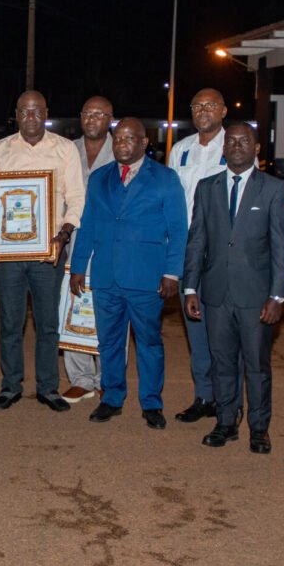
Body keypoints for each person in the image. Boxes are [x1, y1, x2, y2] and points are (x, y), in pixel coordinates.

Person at [71, 118, 187, 429]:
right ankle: (111, 397)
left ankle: (151, 402)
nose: (122, 144)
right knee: (109, 341)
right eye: (118, 138)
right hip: (106, 275)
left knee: (148, 341)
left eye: (129, 138)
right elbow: (88, 224)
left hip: (146, 277)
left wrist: (172, 273)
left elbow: (178, 230)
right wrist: (79, 266)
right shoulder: (99, 178)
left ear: (144, 142)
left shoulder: (164, 178)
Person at [181, 122, 284, 451]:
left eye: (245, 141)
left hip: (256, 296)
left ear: (257, 148)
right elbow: (197, 240)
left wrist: (277, 295)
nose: (237, 145)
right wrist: (190, 287)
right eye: (232, 141)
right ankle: (226, 422)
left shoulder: (272, 188)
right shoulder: (207, 187)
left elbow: (281, 246)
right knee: (222, 362)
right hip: (215, 293)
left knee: (256, 366)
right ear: (224, 148)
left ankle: (259, 427)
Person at [0, 90, 85, 412]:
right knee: (10, 322)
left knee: (47, 323)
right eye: (25, 112)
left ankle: (48, 388)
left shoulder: (64, 150)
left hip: (48, 251)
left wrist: (64, 233)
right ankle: (10, 386)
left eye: (37, 111)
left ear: (46, 113)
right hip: (8, 253)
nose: (31, 117)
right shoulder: (0, 150)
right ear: (17, 114)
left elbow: (76, 197)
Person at [167, 88, 229, 423]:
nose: (203, 110)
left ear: (223, 110)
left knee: (223, 328)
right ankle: (203, 396)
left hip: (222, 251)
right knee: (196, 326)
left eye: (210, 105)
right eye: (197, 105)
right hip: (187, 250)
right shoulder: (180, 149)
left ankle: (227, 398)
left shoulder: (233, 146)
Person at [63, 95, 115, 404]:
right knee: (73, 307)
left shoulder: (122, 148)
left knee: (110, 310)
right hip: (73, 241)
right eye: (87, 113)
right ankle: (81, 379)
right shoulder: (68, 150)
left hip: (110, 244)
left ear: (110, 118)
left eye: (100, 114)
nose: (92, 119)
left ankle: (108, 378)